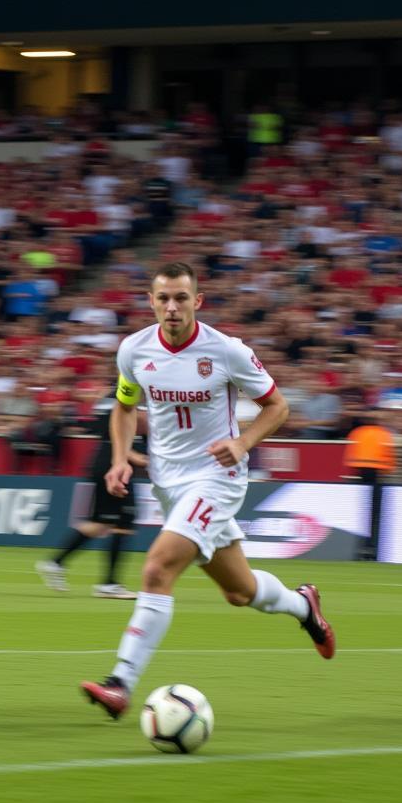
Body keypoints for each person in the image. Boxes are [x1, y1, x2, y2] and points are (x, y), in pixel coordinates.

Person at [80, 262, 335, 721]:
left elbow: (277, 406)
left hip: (217, 480)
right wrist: (120, 458)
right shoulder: (133, 350)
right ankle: (305, 606)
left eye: (181, 298)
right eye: (164, 299)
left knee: (157, 569)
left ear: (198, 301)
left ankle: (120, 683)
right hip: (168, 483)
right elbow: (123, 407)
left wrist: (241, 443)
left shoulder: (227, 351)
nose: (172, 307)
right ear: (151, 302)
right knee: (240, 591)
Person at [35, 390, 142, 599]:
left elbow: (102, 428)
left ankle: (56, 563)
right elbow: (116, 432)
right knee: (124, 522)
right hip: (114, 463)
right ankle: (109, 584)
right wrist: (137, 456)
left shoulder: (112, 396)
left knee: (101, 523)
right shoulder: (127, 395)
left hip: (106, 461)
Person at [343, 410, 396, 561]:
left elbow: (349, 456)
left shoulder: (358, 432)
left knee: (363, 514)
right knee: (375, 514)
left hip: (361, 477)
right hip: (376, 477)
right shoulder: (383, 433)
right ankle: (371, 547)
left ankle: (365, 547)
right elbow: (389, 457)